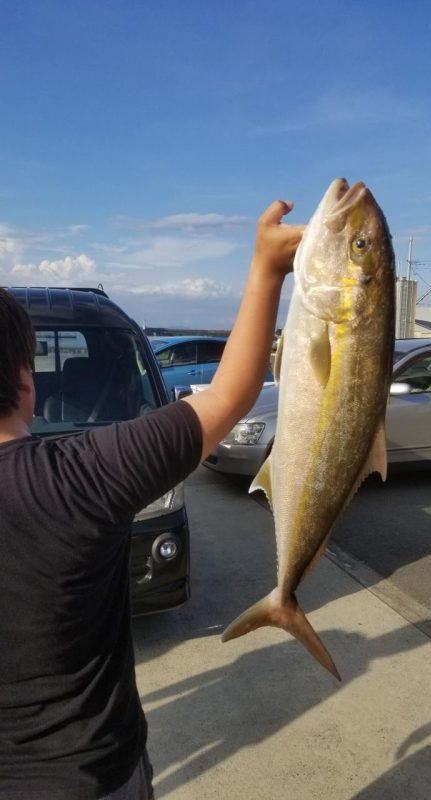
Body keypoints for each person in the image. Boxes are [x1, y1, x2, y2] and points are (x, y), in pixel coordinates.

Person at [0, 200, 303, 800]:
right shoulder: (82, 474)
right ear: (25, 381)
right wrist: (268, 267)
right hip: (93, 777)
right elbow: (230, 394)